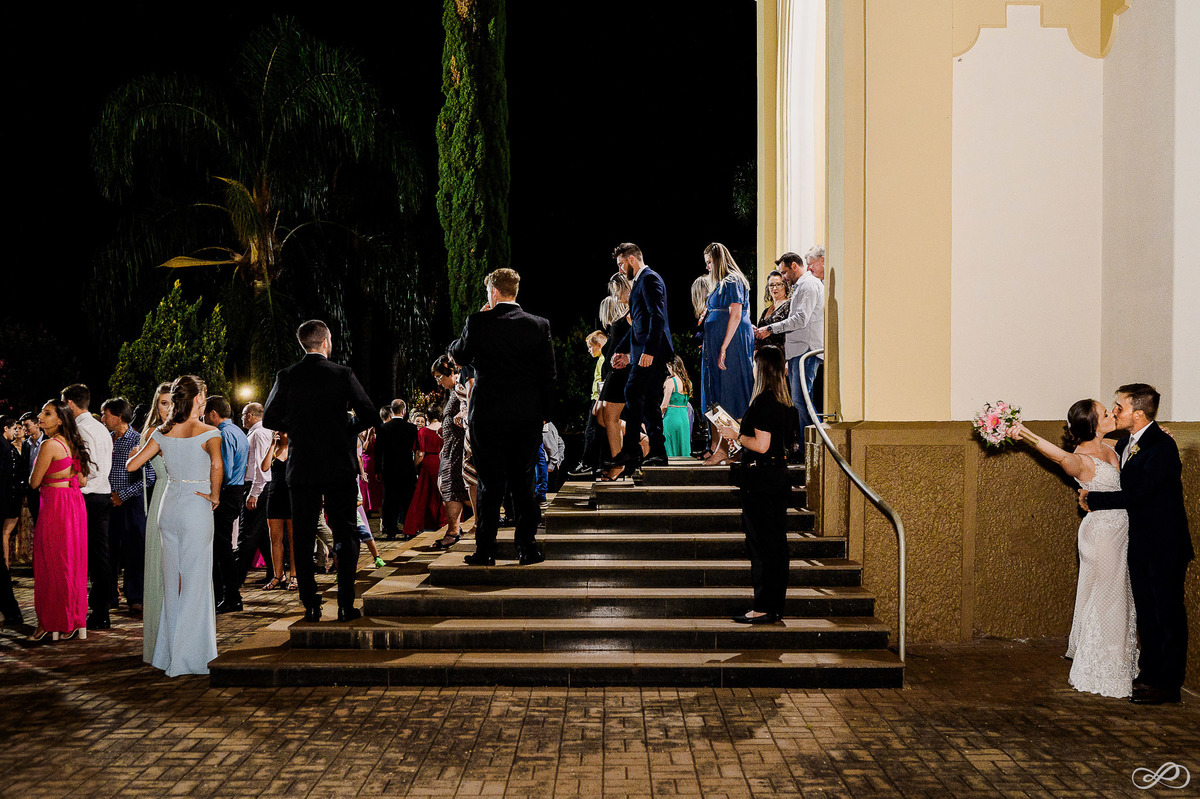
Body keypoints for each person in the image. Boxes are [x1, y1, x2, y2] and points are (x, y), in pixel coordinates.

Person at [1010, 401, 1137, 698]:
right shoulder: (1079, 459)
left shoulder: (1111, 446)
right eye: (1105, 414)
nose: (1111, 415)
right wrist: (1025, 434)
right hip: (1102, 534)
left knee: (1121, 594)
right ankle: (1100, 666)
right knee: (1108, 596)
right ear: (1092, 424)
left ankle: (1121, 662)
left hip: (1122, 530)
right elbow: (1057, 455)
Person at [1079, 384, 1193, 704]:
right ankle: (1149, 675)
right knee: (1147, 611)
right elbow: (1098, 439)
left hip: (1165, 546)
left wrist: (1093, 498)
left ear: (1138, 413)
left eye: (1120, 407)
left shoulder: (1162, 447)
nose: (1116, 412)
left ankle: (1168, 685)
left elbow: (1137, 495)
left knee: (1167, 613)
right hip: (1141, 543)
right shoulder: (1129, 439)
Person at [263, 319, 377, 622]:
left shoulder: (287, 376)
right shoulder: (342, 374)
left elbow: (269, 417)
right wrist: (343, 428)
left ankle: (311, 604)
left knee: (302, 534)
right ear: (325, 342)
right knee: (346, 533)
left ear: (304, 344)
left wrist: (298, 428)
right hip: (338, 464)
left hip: (303, 467)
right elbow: (369, 413)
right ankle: (344, 604)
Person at [449, 267, 556, 566]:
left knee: (489, 483)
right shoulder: (539, 325)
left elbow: (458, 355)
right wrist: (545, 414)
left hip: (488, 416)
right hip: (527, 415)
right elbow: (548, 375)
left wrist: (474, 323)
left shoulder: (479, 321)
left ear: (493, 292)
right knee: (524, 482)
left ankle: (485, 549)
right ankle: (527, 548)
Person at [126, 375, 222, 676]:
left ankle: (167, 654)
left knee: (172, 582)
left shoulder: (160, 431)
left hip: (168, 506)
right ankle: (190, 657)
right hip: (196, 503)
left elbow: (131, 466)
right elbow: (218, 466)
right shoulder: (209, 431)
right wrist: (215, 496)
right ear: (198, 399)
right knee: (195, 582)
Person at [717, 346, 797, 624]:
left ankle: (763, 606)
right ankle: (774, 605)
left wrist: (736, 436)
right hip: (779, 477)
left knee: (761, 546)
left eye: (754, 364)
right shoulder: (787, 404)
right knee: (777, 544)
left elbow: (761, 445)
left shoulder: (763, 401)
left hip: (760, 480)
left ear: (761, 368)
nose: (751, 369)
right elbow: (778, 443)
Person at [27, 400, 91, 641]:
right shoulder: (73, 444)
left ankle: (51, 622)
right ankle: (74, 620)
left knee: (51, 563)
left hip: (55, 505)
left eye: (47, 413)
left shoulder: (49, 445)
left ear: (60, 420)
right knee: (73, 562)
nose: (41, 417)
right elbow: (83, 481)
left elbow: (34, 482)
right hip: (74, 504)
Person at [610, 243, 673, 472]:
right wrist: (621, 349)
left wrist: (648, 351)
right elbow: (638, 322)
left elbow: (657, 318)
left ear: (632, 260)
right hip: (644, 351)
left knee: (633, 392)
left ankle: (632, 449)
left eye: (620, 264)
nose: (619, 270)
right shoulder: (640, 281)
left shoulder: (649, 279)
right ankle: (656, 451)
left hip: (650, 352)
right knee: (647, 401)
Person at [61, 384, 114, 631]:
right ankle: (101, 606)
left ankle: (99, 609)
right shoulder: (101, 427)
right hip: (102, 494)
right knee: (99, 554)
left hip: (89, 495)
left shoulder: (82, 429)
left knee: (90, 556)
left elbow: (89, 467)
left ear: (70, 404)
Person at [755, 250, 825, 436]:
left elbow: (801, 319)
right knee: (799, 400)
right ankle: (806, 447)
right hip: (798, 351)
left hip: (806, 350)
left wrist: (770, 329)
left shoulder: (808, 285)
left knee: (802, 400)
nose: (784, 278)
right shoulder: (802, 286)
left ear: (794, 266)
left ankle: (817, 443)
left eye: (785, 272)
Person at [699, 243, 754, 466]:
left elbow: (736, 313)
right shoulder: (720, 284)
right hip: (715, 345)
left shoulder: (732, 281)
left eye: (710, 262)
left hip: (731, 344)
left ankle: (734, 447)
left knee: (732, 394)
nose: (708, 267)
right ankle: (725, 447)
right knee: (716, 395)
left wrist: (724, 347)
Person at [100, 397, 153, 615]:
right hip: (107, 503)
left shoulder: (138, 440)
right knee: (108, 552)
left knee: (134, 551)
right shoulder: (106, 439)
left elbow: (149, 476)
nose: (103, 418)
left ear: (119, 416)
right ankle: (109, 596)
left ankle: (135, 597)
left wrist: (122, 495)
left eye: (106, 414)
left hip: (131, 504)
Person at [204, 395, 249, 613]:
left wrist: (214, 493)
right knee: (222, 546)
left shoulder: (222, 434)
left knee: (221, 548)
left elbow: (225, 469)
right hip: (237, 491)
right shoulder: (239, 431)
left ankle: (230, 595)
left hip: (226, 492)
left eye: (206, 414)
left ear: (213, 414)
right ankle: (229, 594)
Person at [139, 382, 172, 664]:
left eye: (173, 402)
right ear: (155, 405)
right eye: (163, 403)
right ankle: (160, 643)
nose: (168, 407)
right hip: (164, 496)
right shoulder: (153, 433)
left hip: (188, 499)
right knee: (162, 569)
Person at [431, 356, 469, 550]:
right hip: (451, 447)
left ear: (451, 373)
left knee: (453, 487)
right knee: (448, 486)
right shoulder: (454, 390)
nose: (439, 382)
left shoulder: (463, 386)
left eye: (440, 377)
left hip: (458, 448)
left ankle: (453, 531)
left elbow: (467, 409)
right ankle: (453, 529)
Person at [236, 402, 274, 589]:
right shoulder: (260, 432)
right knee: (261, 534)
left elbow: (261, 467)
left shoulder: (258, 434)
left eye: (243, 414)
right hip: (258, 486)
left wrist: (254, 493)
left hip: (257, 486)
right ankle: (275, 571)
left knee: (248, 532)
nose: (242, 418)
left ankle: (236, 577)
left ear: (250, 415)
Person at [598, 281, 632, 481]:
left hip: (621, 373)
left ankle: (619, 463)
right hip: (614, 373)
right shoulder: (626, 312)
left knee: (609, 417)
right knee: (604, 417)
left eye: (618, 289)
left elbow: (644, 337)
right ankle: (620, 458)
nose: (615, 293)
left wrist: (629, 357)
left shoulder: (633, 312)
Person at [374, 399, 418, 539]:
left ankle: (390, 530)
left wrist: (377, 470)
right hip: (407, 468)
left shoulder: (383, 428)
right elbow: (415, 449)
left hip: (389, 468)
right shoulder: (411, 428)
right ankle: (408, 529)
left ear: (391, 411)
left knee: (390, 500)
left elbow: (378, 451)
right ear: (404, 411)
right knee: (407, 499)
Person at [402, 406, 447, 538]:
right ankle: (443, 521)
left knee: (423, 494)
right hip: (442, 462)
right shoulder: (444, 429)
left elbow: (420, 453)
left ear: (427, 416)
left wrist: (416, 468)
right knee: (442, 493)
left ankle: (416, 525)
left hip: (428, 464)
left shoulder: (423, 431)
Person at [569, 330, 607, 478]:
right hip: (598, 398)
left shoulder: (603, 359)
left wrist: (597, 401)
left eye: (590, 347)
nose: (589, 350)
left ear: (598, 345)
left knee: (591, 432)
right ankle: (595, 464)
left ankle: (587, 463)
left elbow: (602, 382)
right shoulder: (601, 359)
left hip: (599, 400)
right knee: (596, 433)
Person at [262, 432, 295, 591]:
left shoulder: (295, 449)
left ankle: (294, 575)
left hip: (291, 495)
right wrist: (272, 445)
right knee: (275, 538)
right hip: (274, 495)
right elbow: (264, 467)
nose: (282, 434)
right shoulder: (274, 450)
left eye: (284, 431)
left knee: (293, 539)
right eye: (279, 431)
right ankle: (278, 575)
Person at [661, 357, 693, 458]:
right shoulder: (688, 382)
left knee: (669, 446)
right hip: (684, 418)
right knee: (683, 446)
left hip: (671, 417)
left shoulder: (671, 382)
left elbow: (664, 405)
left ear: (671, 367)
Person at [1, 417, 22, 569]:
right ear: (5, 428)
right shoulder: (5, 447)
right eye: (14, 429)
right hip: (8, 496)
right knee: (5, 533)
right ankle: (5, 566)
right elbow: (7, 473)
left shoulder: (6, 446)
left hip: (7, 495)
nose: (15, 432)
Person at [756, 269, 791, 352]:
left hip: (780, 356)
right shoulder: (766, 310)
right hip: (763, 357)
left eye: (779, 284)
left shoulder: (789, 305)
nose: (774, 288)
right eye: (771, 285)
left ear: (785, 286)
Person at [20, 412, 44, 525]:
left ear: (37, 425)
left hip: (45, 489)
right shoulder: (25, 444)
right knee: (36, 521)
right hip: (32, 490)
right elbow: (25, 468)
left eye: (27, 425)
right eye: (23, 426)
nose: (24, 428)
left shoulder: (49, 441)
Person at [538, 420, 565, 503]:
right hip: (549, 464)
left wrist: (553, 464)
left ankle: (541, 498)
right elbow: (560, 443)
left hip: (548, 465)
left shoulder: (546, 428)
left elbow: (554, 447)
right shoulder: (550, 425)